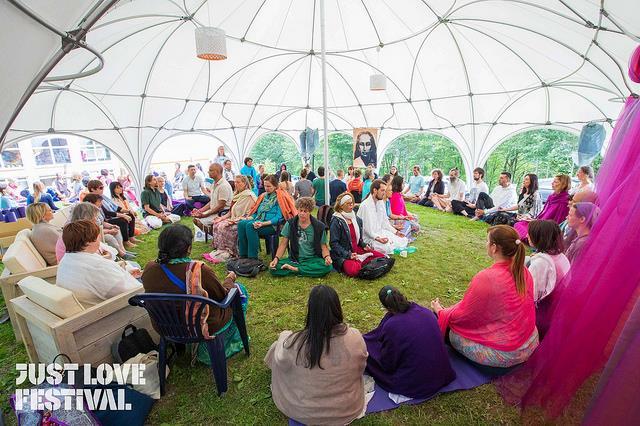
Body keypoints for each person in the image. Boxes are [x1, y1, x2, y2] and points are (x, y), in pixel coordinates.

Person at [431, 225, 538, 368]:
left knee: (452, 333)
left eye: (487, 241)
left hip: (507, 354)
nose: (485, 244)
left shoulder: (487, 278)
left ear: (494, 247)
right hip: (529, 341)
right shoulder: (522, 270)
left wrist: (441, 312)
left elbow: (464, 316)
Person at [265, 285, 368, 425]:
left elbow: (279, 359)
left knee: (277, 347)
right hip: (347, 409)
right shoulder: (355, 336)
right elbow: (360, 367)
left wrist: (284, 335)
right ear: (337, 307)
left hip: (302, 411)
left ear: (311, 311)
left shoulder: (295, 343)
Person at [142, 224, 248, 354]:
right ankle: (229, 340)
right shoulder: (198, 270)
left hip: (165, 327)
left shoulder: (150, 268)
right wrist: (230, 279)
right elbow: (223, 297)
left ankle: (180, 347)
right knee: (238, 290)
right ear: (189, 248)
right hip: (198, 327)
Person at [365, 286, 456, 399]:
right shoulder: (426, 312)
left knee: (369, 358)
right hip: (443, 374)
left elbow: (388, 363)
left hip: (418, 384)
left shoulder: (392, 325)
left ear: (386, 306)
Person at [57, 220, 142, 307]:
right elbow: (134, 292)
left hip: (92, 306)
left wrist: (126, 274)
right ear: (88, 242)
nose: (100, 240)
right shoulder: (98, 267)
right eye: (98, 237)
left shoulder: (67, 260)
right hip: (115, 311)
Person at [269, 197, 333, 277]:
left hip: (312, 259)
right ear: (297, 210)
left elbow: (323, 247)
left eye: (305, 211)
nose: (302, 213)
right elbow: (283, 244)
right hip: (295, 259)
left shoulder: (319, 227)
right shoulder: (290, 223)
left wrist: (327, 257)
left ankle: (295, 270)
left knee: (328, 267)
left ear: (310, 212)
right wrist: (276, 258)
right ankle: (305, 270)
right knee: (273, 268)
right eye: (300, 210)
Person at [237, 175, 297, 259]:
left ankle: (252, 258)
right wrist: (246, 218)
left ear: (275, 186)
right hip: (259, 221)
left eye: (269, 186)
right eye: (265, 186)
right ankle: (243, 255)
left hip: (273, 226)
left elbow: (278, 218)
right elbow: (256, 214)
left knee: (250, 226)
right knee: (241, 224)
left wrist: (262, 224)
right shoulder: (263, 196)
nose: (266, 188)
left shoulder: (280, 197)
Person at [330, 193, 386, 277]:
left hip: (356, 250)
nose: (351, 205)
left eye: (352, 203)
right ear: (341, 206)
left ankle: (361, 260)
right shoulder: (337, 221)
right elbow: (334, 244)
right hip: (344, 254)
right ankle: (362, 261)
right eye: (348, 203)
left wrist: (364, 245)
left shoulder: (356, 219)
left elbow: (359, 240)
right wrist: (348, 255)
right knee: (353, 270)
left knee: (382, 257)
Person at [204, 175, 257, 262]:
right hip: (234, 218)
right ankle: (221, 250)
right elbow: (230, 212)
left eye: (238, 182)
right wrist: (221, 218)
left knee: (224, 227)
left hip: (244, 221)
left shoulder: (249, 195)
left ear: (244, 184)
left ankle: (232, 252)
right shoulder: (236, 194)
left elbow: (250, 214)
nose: (236, 184)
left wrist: (234, 220)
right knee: (217, 224)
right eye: (235, 182)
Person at [54, 202, 119, 262]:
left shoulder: (75, 229)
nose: (97, 220)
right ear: (88, 217)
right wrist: (108, 256)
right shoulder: (77, 233)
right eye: (95, 217)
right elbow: (88, 259)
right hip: (78, 267)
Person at [357, 179, 408, 254]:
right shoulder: (365, 205)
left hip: (381, 232)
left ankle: (390, 243)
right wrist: (378, 238)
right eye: (382, 190)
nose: (384, 193)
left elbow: (385, 223)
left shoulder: (380, 202)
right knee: (386, 247)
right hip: (369, 237)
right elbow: (367, 229)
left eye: (385, 190)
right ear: (375, 190)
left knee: (402, 239)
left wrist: (396, 232)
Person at [513, 174, 571, 240]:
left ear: (563, 184)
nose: (552, 183)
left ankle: (532, 238)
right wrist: (533, 220)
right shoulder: (552, 196)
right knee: (519, 224)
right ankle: (530, 237)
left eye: (555, 182)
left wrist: (536, 222)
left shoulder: (564, 200)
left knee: (522, 226)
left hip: (547, 227)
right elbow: (543, 213)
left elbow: (557, 221)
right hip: (539, 220)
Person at [527, 220, 570, 303]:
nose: (526, 235)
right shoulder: (560, 255)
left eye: (530, 234)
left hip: (546, 304)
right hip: (559, 298)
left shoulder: (540, 263)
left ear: (539, 237)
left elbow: (533, 295)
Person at [87, 179, 139, 248]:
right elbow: (106, 212)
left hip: (107, 219)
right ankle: (126, 241)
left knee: (130, 215)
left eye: (103, 187)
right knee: (122, 221)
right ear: (92, 189)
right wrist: (123, 215)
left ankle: (131, 237)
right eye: (100, 188)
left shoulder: (102, 196)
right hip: (105, 220)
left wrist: (128, 211)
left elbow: (116, 207)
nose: (102, 189)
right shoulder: (92, 199)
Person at [83, 193, 133, 258]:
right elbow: (93, 231)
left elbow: (102, 222)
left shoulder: (98, 209)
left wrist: (111, 226)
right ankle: (121, 254)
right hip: (95, 234)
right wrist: (109, 231)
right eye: (99, 202)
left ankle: (123, 250)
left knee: (116, 229)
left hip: (101, 230)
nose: (101, 203)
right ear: (91, 202)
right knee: (109, 237)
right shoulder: (87, 214)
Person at [388, 175, 421, 242]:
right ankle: (405, 232)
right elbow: (392, 212)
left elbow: (403, 209)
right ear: (398, 184)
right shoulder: (393, 195)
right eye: (403, 183)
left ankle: (409, 229)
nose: (404, 185)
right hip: (397, 219)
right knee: (416, 226)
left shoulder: (399, 194)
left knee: (415, 219)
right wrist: (404, 217)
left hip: (402, 217)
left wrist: (408, 216)